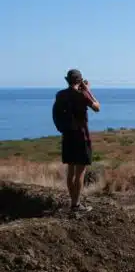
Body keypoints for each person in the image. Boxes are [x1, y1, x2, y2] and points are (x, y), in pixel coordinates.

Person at [52, 69, 101, 212]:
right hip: (81, 136)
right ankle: (76, 204)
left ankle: (73, 202)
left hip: (67, 136)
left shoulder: (60, 95)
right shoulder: (83, 95)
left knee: (71, 171)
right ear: (79, 81)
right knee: (80, 172)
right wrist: (88, 91)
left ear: (67, 80)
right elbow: (97, 107)